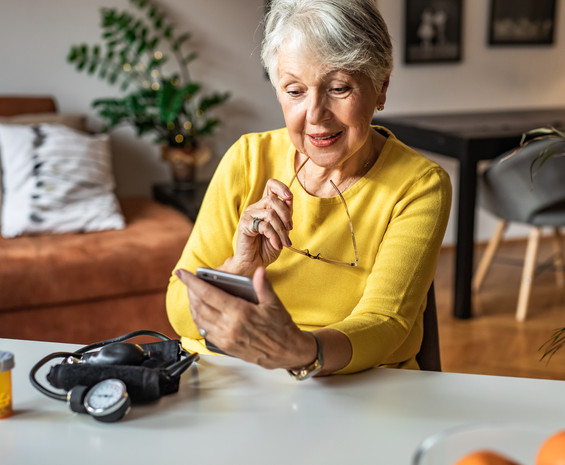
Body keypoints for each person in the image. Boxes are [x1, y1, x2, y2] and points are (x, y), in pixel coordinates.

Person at [167, 0, 452, 378]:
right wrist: (239, 269)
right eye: (295, 91)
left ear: (380, 87)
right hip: (229, 379)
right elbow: (179, 309)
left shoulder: (418, 185)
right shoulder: (247, 158)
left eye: (338, 87)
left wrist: (301, 351)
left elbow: (387, 325)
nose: (315, 114)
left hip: (355, 388)